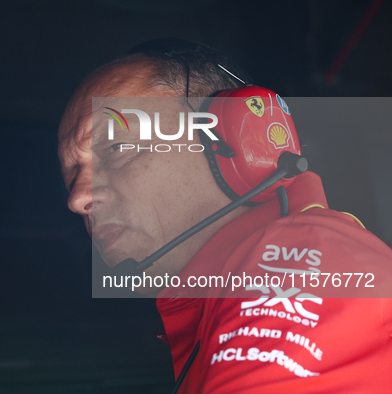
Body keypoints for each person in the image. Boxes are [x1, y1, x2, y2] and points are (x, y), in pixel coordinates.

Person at [58, 38, 392, 392]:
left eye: (117, 148)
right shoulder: (220, 304)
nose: (78, 198)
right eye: (71, 178)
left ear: (242, 142)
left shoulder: (302, 266)